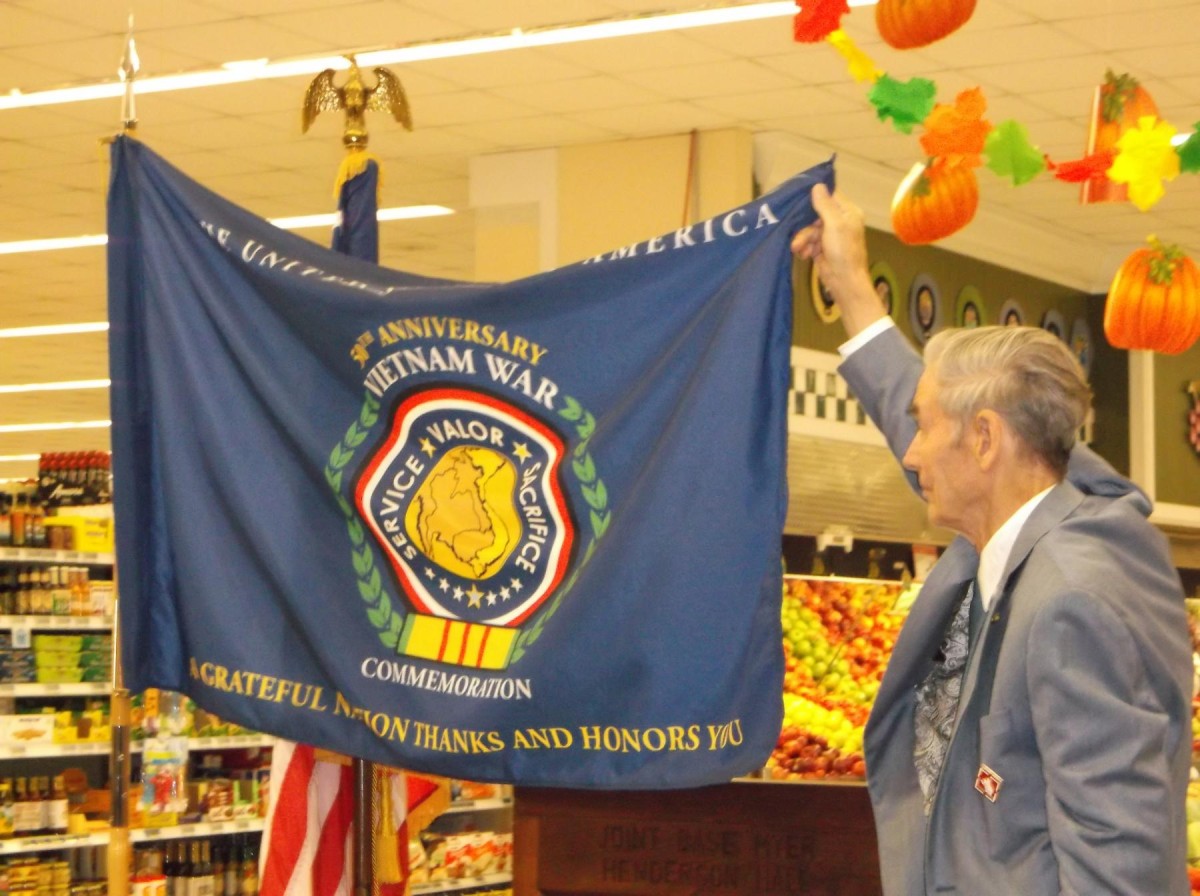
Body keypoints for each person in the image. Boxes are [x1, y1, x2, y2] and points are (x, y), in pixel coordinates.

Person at [792, 183, 1192, 895]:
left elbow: (1115, 873)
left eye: (925, 429)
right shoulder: (1019, 521)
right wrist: (851, 288)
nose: (911, 455)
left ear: (984, 441)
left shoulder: (1074, 598)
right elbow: (923, 412)